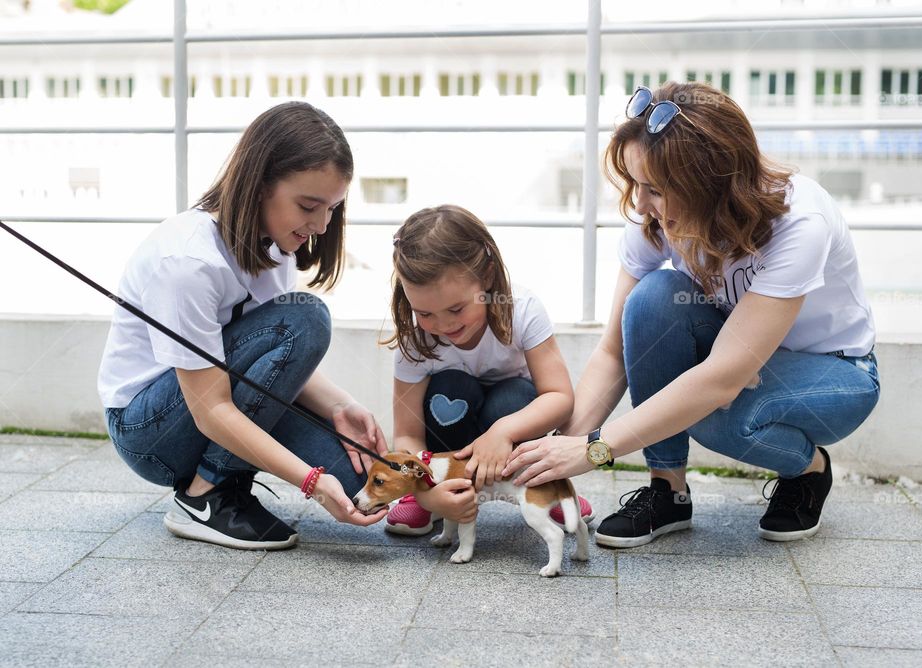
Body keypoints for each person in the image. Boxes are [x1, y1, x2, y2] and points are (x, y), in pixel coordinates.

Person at [503, 81, 880, 547]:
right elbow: (613, 353)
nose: (640, 205)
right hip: (739, 359)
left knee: (713, 413)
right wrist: (553, 458)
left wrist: (595, 450)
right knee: (653, 297)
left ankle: (809, 469)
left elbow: (721, 379)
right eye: (637, 185)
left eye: (655, 190)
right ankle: (668, 492)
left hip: (837, 373)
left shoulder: (799, 224)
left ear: (711, 182)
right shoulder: (658, 218)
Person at [98, 101, 388, 551]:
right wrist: (310, 482)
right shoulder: (188, 262)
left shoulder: (276, 248)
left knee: (359, 484)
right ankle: (205, 495)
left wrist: (340, 406)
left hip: (208, 401)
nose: (321, 224)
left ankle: (222, 478)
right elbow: (210, 405)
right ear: (258, 184)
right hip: (150, 430)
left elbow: (272, 361)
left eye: (332, 208)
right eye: (309, 206)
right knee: (307, 316)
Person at [382, 204, 593, 535]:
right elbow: (407, 432)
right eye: (425, 313)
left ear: (488, 276)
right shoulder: (415, 336)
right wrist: (424, 490)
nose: (442, 324)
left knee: (515, 398)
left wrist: (503, 432)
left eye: (456, 308)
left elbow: (559, 397)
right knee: (451, 390)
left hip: (508, 430)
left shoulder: (522, 310)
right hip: (450, 447)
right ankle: (440, 497)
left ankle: (542, 486)